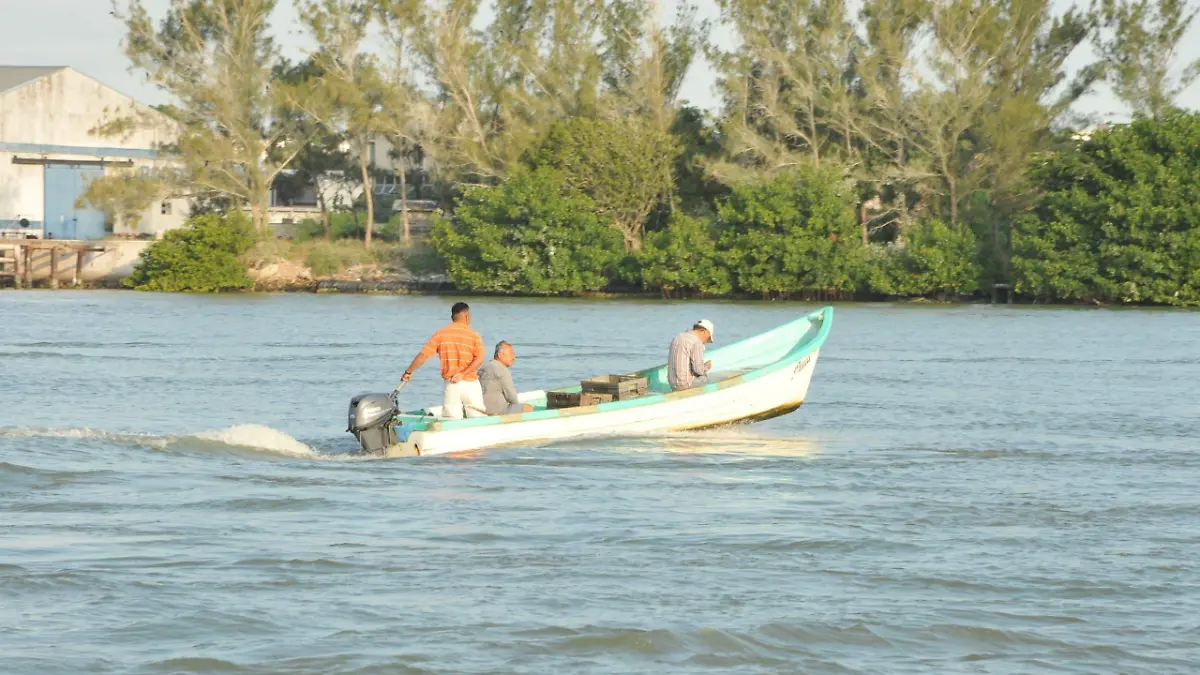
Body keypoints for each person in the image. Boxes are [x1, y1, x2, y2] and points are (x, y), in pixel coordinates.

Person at [400, 302, 487, 419]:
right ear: (467, 316)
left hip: (451, 384)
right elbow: (480, 359)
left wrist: (408, 372)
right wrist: (463, 374)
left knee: (452, 419)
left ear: (452, 317)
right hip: (471, 384)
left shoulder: (440, 334)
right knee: (478, 418)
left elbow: (423, 355)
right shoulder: (474, 335)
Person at [478, 341, 535, 415]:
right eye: (511, 354)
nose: (514, 358)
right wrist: (517, 407)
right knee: (528, 408)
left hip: (481, 407)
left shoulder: (484, 366)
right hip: (497, 410)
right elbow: (512, 397)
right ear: (500, 355)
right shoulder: (502, 369)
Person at [667, 319, 714, 391]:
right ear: (705, 331)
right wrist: (707, 366)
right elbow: (698, 370)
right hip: (685, 385)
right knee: (708, 378)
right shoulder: (696, 342)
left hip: (672, 384)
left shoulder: (678, 337)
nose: (706, 342)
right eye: (708, 338)